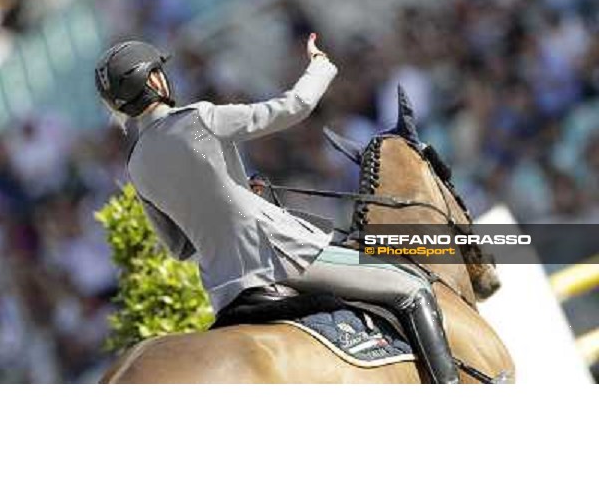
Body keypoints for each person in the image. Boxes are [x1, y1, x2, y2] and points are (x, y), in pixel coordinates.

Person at [95, 36, 459, 383]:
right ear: (155, 79)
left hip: (225, 292)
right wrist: (320, 66)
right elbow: (293, 107)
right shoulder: (198, 118)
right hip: (282, 256)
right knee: (412, 286)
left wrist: (233, 197)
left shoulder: (136, 165)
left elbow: (180, 246)